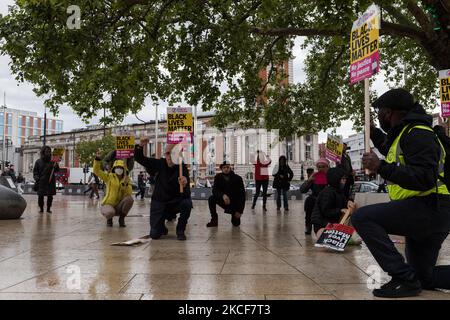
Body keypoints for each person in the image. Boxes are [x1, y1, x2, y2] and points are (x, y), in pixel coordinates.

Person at [351, 88, 450, 298]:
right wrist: (371, 130)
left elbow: (424, 177)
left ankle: (402, 278)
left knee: (363, 217)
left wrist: (382, 167)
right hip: (431, 210)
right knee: (424, 277)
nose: (380, 117)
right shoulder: (409, 133)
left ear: (392, 112)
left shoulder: (418, 133)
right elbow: (390, 149)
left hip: (428, 206)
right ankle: (411, 278)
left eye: (381, 113)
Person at [134, 139, 192, 240]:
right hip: (159, 202)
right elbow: (140, 158)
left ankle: (180, 230)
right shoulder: (159, 163)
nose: (169, 157)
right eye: (167, 154)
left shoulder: (182, 168)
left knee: (187, 203)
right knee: (155, 235)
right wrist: (140, 146)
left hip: (175, 202)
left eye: (172, 153)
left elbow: (187, 194)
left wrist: (185, 182)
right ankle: (161, 226)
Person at [93, 151, 134, 227]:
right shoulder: (109, 177)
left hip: (119, 205)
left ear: (124, 169)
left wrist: (125, 184)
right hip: (109, 204)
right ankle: (109, 219)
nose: (119, 169)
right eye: (117, 167)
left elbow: (128, 193)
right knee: (110, 212)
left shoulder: (127, 179)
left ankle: (122, 218)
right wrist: (97, 159)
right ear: (114, 169)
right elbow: (96, 171)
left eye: (121, 168)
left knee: (129, 199)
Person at [311, 167, 351, 236]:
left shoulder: (339, 192)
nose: (344, 181)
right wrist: (340, 210)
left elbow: (343, 203)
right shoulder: (327, 193)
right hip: (321, 224)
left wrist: (349, 202)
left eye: (345, 179)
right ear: (335, 179)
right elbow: (326, 211)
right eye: (343, 179)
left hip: (332, 223)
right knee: (327, 237)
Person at [207, 161, 246, 227]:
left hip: (234, 204)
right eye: (224, 167)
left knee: (236, 224)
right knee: (211, 198)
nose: (226, 169)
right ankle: (214, 220)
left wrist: (240, 211)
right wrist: (222, 195)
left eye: (227, 167)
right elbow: (215, 190)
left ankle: (234, 215)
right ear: (221, 169)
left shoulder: (238, 178)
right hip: (224, 201)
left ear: (230, 168)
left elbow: (242, 195)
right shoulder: (218, 177)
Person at [300, 158, 330, 234]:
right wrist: (309, 180)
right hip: (315, 198)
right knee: (309, 200)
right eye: (319, 167)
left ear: (327, 167)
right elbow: (302, 190)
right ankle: (308, 225)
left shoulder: (331, 176)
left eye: (323, 167)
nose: (321, 169)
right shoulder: (315, 176)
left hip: (328, 198)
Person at [33, 146, 59, 214]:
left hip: (50, 181)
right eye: (47, 151)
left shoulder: (53, 161)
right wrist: (36, 178)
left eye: (50, 151)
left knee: (50, 196)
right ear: (43, 152)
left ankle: (48, 208)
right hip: (41, 181)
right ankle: (41, 208)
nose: (49, 153)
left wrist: (56, 166)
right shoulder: (38, 162)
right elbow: (35, 171)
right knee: (40, 196)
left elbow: (57, 170)